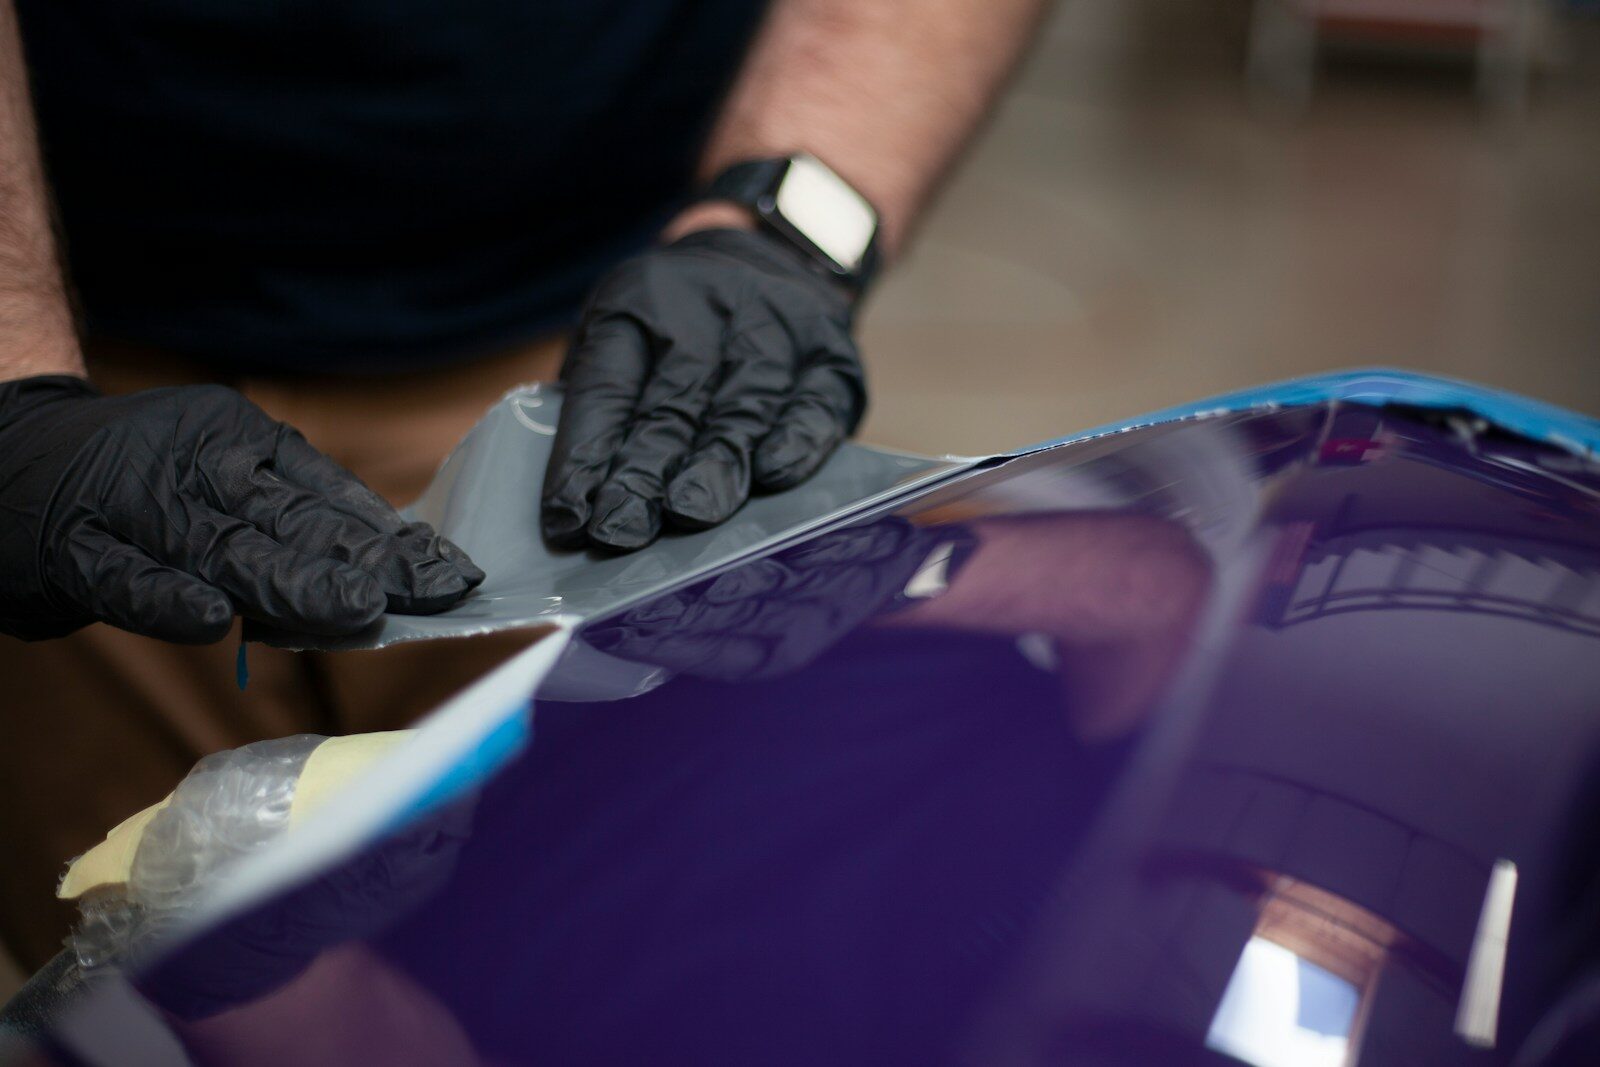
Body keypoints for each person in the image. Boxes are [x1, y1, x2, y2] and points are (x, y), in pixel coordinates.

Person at [0, 0, 1049, 976]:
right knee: (160, 961)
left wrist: (786, 226)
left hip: (614, 359)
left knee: (643, 942)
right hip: (80, 391)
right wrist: (15, 391)